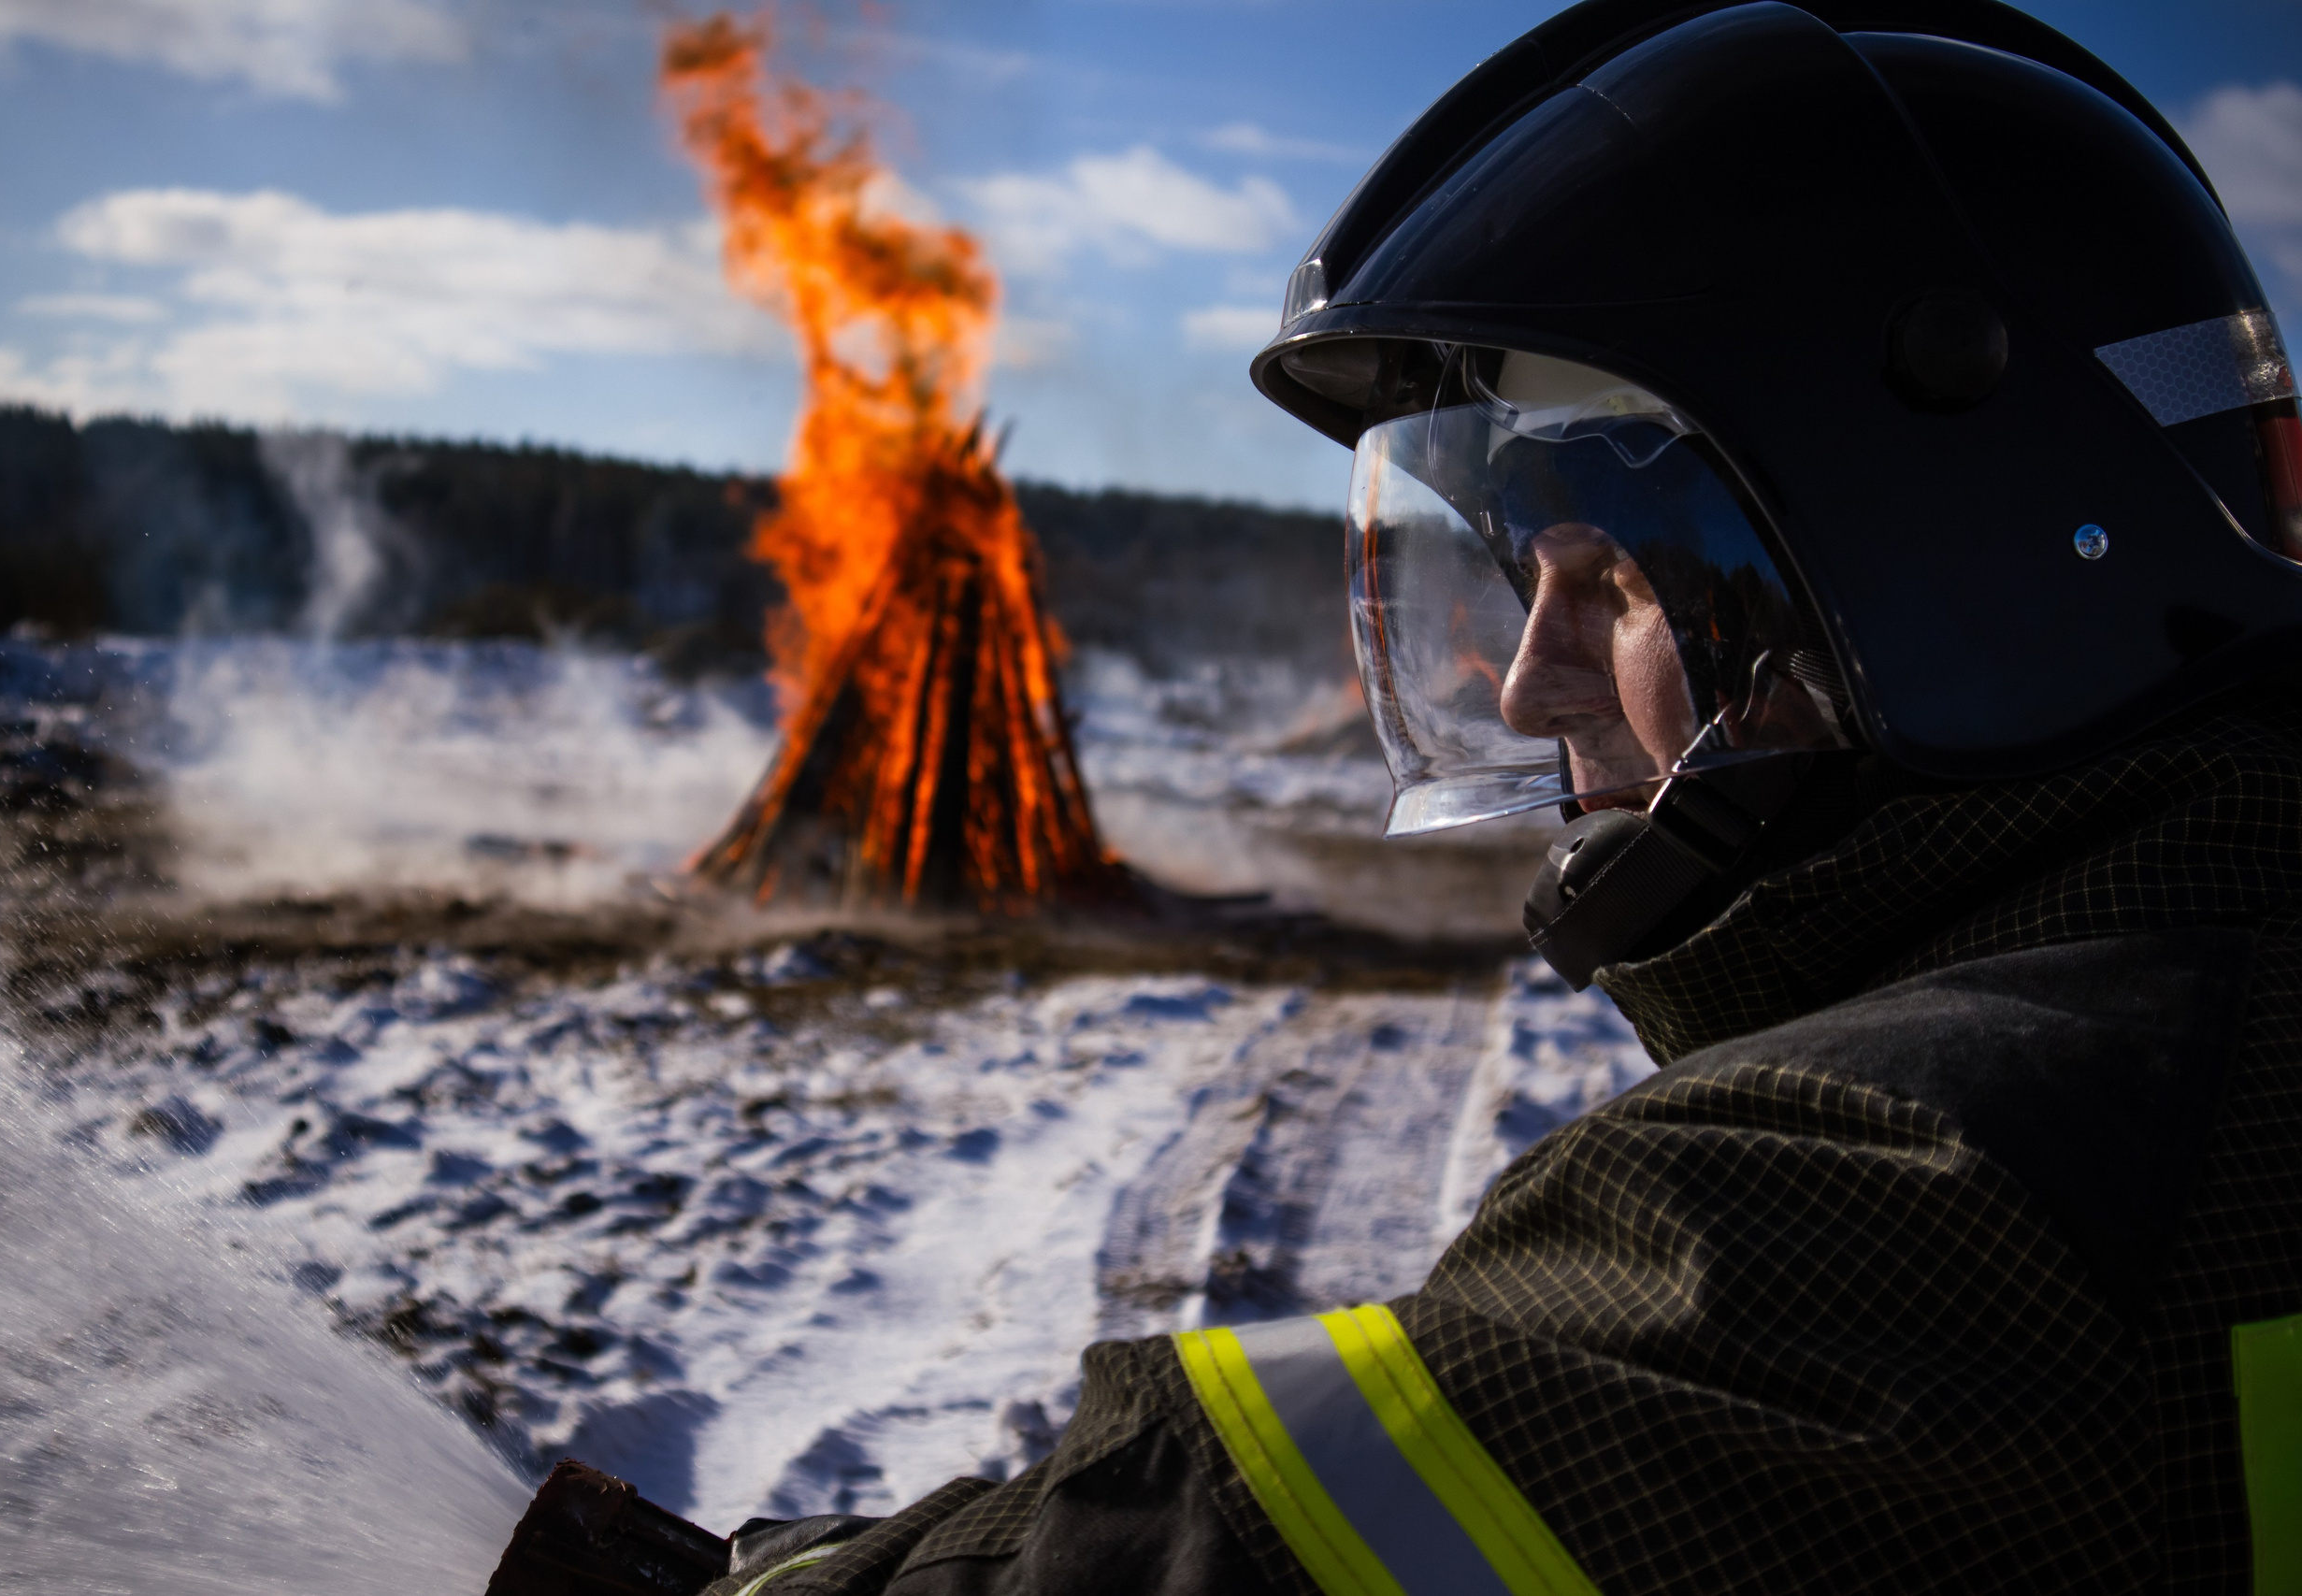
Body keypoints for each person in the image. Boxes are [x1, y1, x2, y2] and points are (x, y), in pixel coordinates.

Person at [689, 2, 2302, 1590]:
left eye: (1609, 585)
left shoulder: (1903, 1206)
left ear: (1935, 575)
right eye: (1524, 582)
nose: (1528, 687)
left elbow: (1190, 1556)